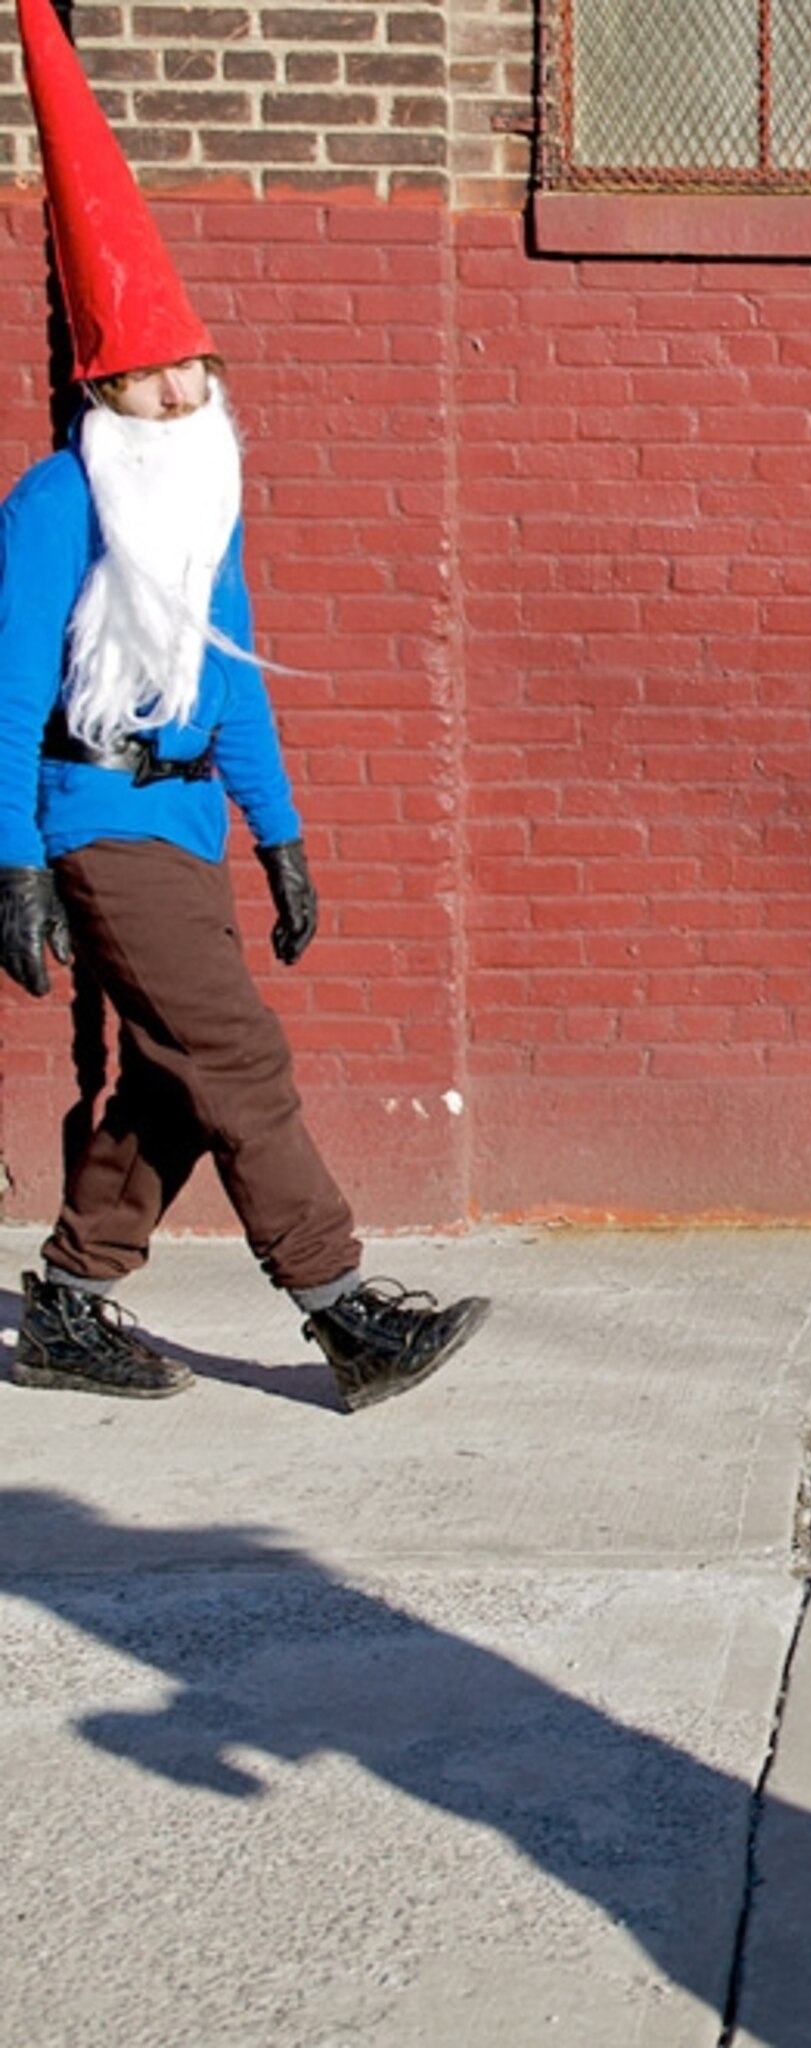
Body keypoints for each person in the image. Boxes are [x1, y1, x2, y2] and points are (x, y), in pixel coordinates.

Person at [0, 0, 487, 1412]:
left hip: (187, 822)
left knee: (173, 1076)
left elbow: (235, 685)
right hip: (93, 812)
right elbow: (14, 681)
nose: (174, 389)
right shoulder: (57, 499)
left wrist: (279, 838)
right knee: (239, 1057)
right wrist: (17, 860)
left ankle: (74, 1304)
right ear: (105, 380)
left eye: (190, 366)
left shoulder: (202, 499)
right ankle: (345, 1312)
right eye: (146, 370)